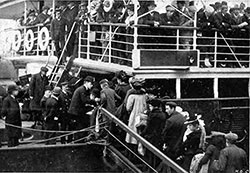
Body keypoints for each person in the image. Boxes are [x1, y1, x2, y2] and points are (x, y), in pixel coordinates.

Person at [68, 76, 96, 140]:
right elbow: (85, 100)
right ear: (86, 82)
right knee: (79, 126)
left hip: (77, 111)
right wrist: (94, 101)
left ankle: (77, 139)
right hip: (76, 112)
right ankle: (78, 140)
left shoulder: (83, 89)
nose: (91, 86)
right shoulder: (82, 90)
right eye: (91, 84)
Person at [141, 99, 166, 168]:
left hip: (151, 137)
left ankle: (148, 168)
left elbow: (148, 127)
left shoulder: (152, 115)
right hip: (159, 137)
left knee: (149, 154)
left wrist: (142, 134)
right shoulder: (163, 114)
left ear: (153, 106)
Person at [125, 78, 147, 159]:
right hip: (142, 116)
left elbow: (128, 108)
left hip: (134, 116)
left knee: (132, 134)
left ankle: (131, 154)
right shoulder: (145, 96)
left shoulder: (132, 96)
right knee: (140, 133)